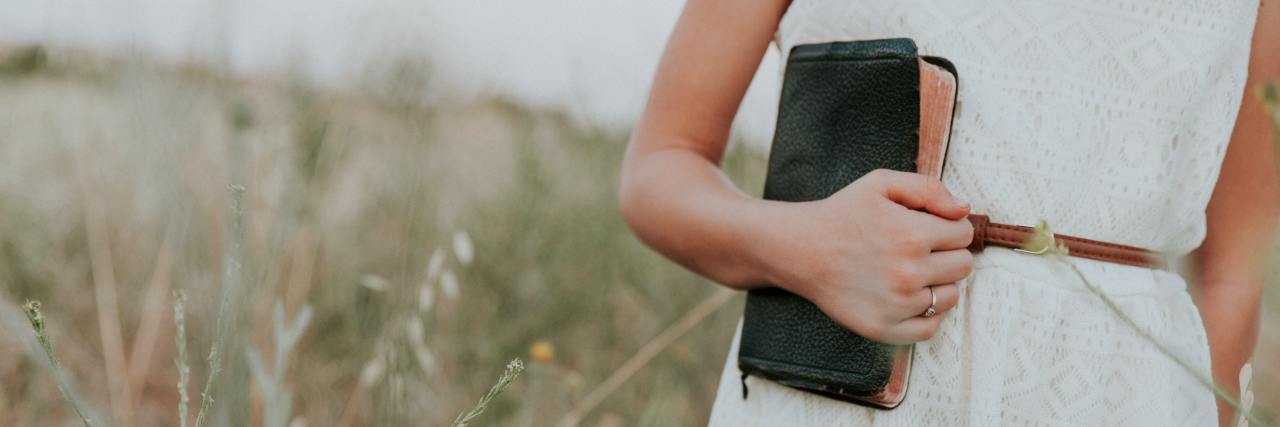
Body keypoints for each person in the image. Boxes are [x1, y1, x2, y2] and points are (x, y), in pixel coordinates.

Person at [618, 0, 1280, 425]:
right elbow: (660, 165)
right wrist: (805, 246)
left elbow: (1230, 273)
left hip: (1121, 400)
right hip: (844, 400)